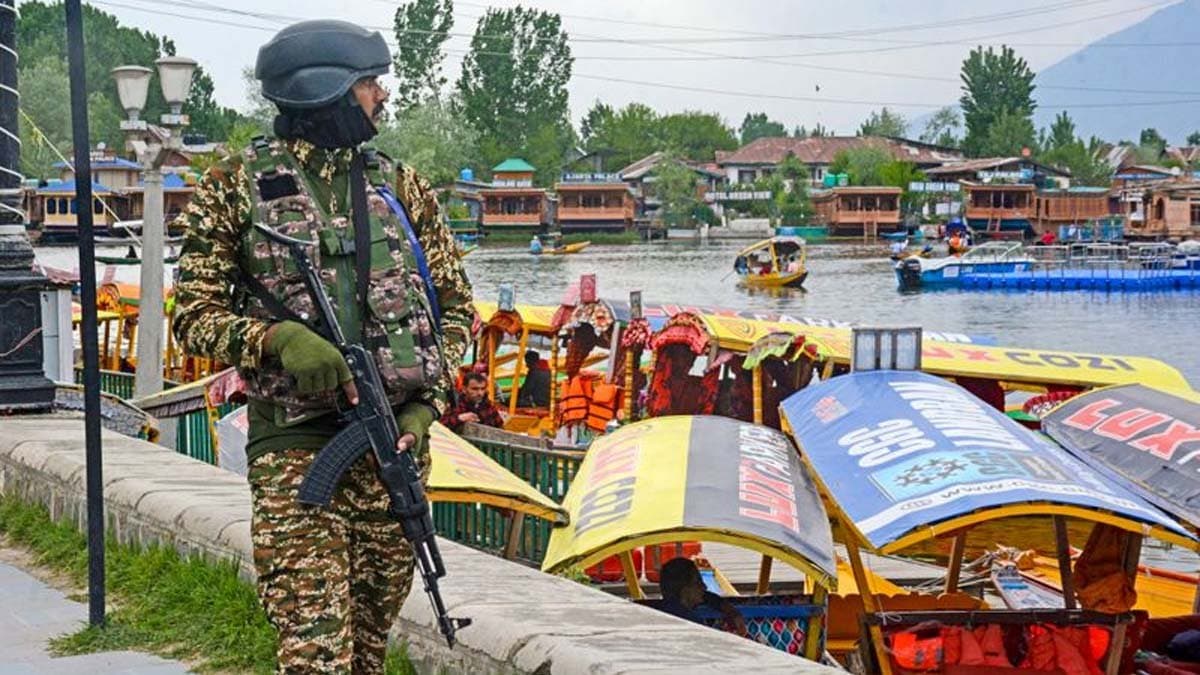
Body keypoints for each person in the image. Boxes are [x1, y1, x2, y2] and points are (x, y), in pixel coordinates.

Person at [171, 19, 474, 673]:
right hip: (296, 456)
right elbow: (191, 317)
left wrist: (428, 407)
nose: (381, 97)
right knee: (316, 656)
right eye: (369, 84)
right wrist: (277, 339)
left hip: (395, 452)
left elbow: (458, 315)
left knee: (366, 654)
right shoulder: (234, 188)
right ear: (325, 91)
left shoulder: (402, 188)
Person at [657, 558, 746, 635]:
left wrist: (730, 610)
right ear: (685, 590)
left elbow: (707, 596)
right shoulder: (692, 624)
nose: (704, 587)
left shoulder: (659, 610)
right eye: (698, 583)